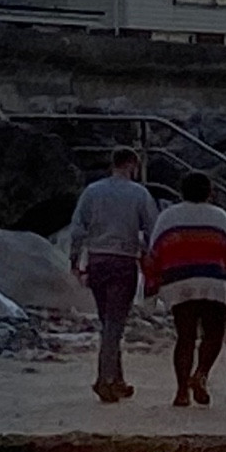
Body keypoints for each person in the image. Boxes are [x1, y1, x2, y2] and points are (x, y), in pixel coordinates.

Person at [67, 148, 159, 405]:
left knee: (107, 320)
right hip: (123, 261)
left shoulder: (92, 191)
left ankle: (117, 379)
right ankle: (104, 379)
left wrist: (75, 260)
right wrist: (154, 262)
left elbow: (77, 228)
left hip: (97, 259)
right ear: (133, 165)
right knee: (114, 325)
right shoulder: (139, 194)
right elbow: (153, 229)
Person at [143, 172, 226, 408]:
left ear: (181, 192)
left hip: (179, 283)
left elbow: (155, 253)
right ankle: (201, 375)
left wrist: (153, 286)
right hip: (213, 283)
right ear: (209, 192)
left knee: (185, 337)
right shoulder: (221, 217)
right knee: (214, 336)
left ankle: (181, 393)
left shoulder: (168, 216)